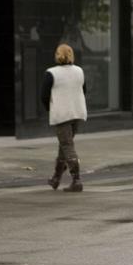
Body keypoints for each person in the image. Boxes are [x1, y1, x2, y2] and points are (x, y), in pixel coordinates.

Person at [41, 43, 87, 192]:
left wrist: (50, 108)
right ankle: (56, 178)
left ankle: (76, 179)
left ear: (57, 55)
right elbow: (84, 90)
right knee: (65, 145)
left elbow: (44, 95)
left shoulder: (51, 73)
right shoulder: (79, 71)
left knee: (67, 145)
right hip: (77, 112)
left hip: (62, 114)